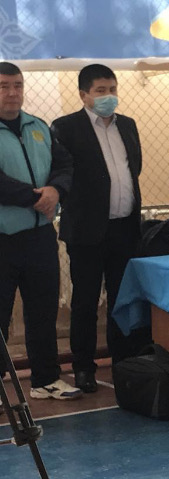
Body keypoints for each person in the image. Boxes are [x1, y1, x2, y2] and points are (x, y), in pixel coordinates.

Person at [51, 64, 143, 393]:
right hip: (86, 231)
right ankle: (83, 368)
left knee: (123, 299)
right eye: (101, 91)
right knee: (85, 302)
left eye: (112, 89)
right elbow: (62, 173)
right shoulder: (65, 127)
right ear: (84, 95)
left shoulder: (127, 125)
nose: (108, 96)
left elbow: (134, 168)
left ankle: (124, 362)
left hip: (124, 228)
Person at [0, 62, 82, 400]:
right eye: (4, 86)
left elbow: (64, 165)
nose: (12, 92)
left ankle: (45, 380)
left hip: (40, 238)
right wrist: (37, 198)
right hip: (3, 240)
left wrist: (56, 190)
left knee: (43, 312)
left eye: (17, 85)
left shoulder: (39, 126)